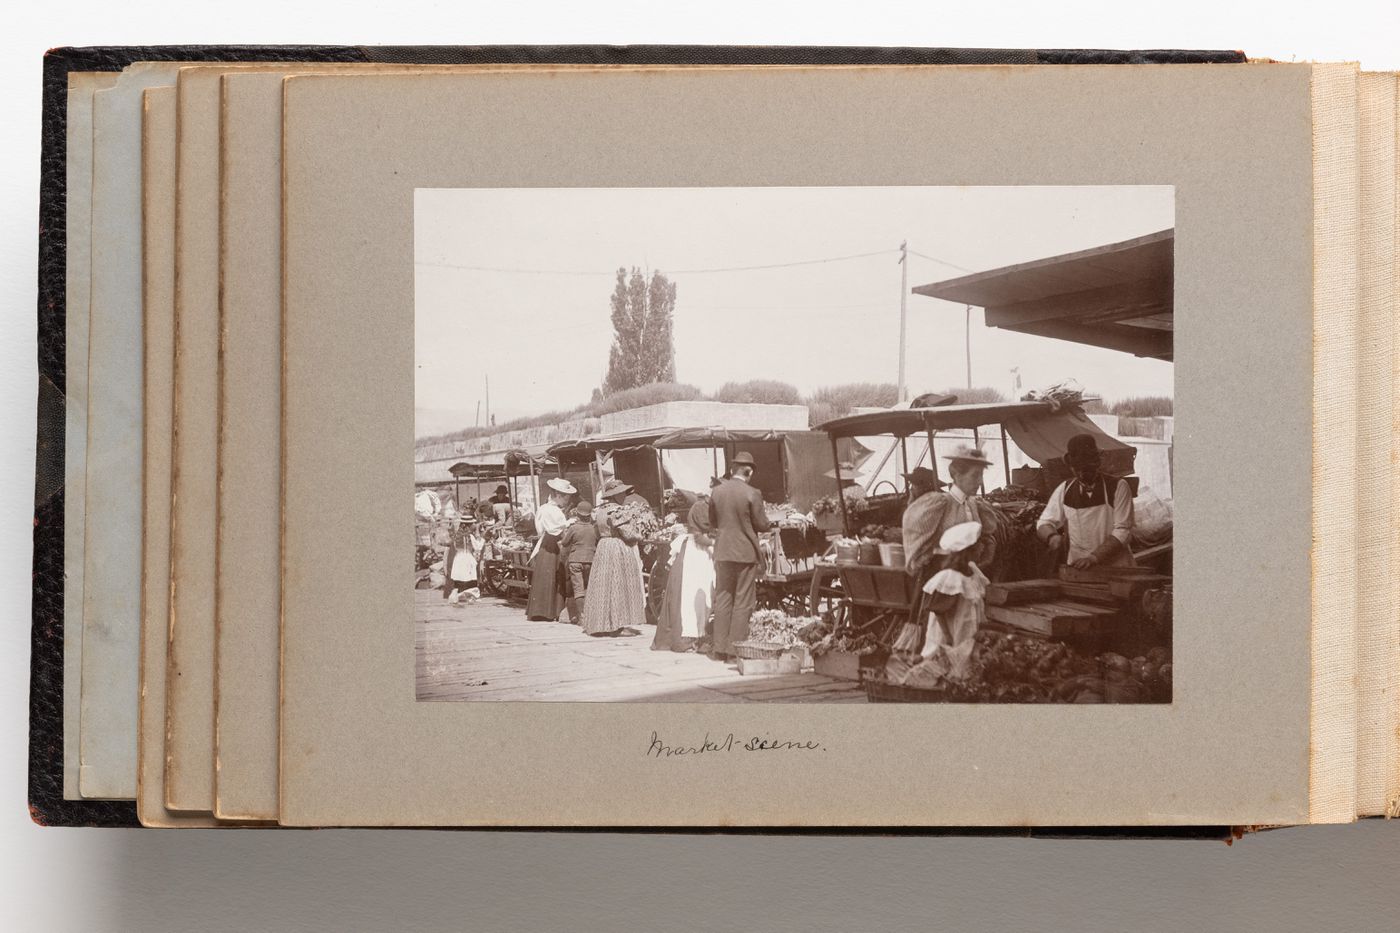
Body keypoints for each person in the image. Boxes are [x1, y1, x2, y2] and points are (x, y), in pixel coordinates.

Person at [1036, 433, 1136, 570]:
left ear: (1097, 464)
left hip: (1115, 568)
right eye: (1078, 469)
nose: (1082, 474)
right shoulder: (1065, 489)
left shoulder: (1118, 486)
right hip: (1079, 569)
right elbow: (1044, 522)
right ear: (1071, 467)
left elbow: (1123, 530)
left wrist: (1094, 557)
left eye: (1087, 469)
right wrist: (1052, 537)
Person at [707, 451, 771, 661]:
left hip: (723, 551)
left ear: (733, 469)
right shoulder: (752, 493)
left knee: (724, 598)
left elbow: (713, 523)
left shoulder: (716, 492)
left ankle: (719, 649)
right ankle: (735, 651)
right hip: (744, 552)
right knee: (743, 600)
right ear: (749, 471)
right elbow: (762, 524)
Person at [916, 521, 989, 678]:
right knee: (945, 665)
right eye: (978, 546)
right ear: (967, 552)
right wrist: (947, 637)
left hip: (966, 630)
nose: (982, 548)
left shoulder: (973, 573)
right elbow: (939, 611)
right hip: (949, 634)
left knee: (965, 663)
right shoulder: (950, 578)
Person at [581, 479, 647, 637]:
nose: (624, 496)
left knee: (604, 585)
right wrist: (639, 535)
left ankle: (602, 622)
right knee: (618, 583)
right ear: (616, 495)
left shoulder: (600, 511)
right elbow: (628, 532)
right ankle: (617, 625)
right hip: (617, 547)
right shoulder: (617, 511)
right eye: (622, 493)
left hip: (604, 547)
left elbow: (596, 532)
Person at [652, 496, 717, 653]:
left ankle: (697, 634)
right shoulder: (702, 507)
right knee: (692, 595)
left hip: (701, 551)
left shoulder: (704, 505)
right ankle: (687, 638)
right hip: (697, 553)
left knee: (703, 595)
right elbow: (701, 533)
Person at [525, 477, 576, 621]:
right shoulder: (553, 511)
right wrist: (568, 523)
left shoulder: (544, 508)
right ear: (559, 495)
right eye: (566, 498)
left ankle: (543, 609)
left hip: (545, 543)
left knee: (546, 575)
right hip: (552, 544)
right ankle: (549, 610)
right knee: (552, 575)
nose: (567, 501)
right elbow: (554, 529)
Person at [559, 502, 598, 623]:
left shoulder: (574, 528)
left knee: (578, 588)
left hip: (575, 560)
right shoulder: (594, 528)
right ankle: (590, 615)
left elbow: (565, 543)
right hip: (590, 560)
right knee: (587, 587)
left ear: (578, 514)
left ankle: (581, 617)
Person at [443, 516, 483, 605]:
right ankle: (471, 597)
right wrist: (480, 538)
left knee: (459, 579)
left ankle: (455, 596)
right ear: (468, 525)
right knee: (471, 579)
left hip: (458, 559)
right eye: (472, 524)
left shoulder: (457, 536)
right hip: (467, 558)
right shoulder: (470, 537)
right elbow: (477, 547)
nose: (474, 525)